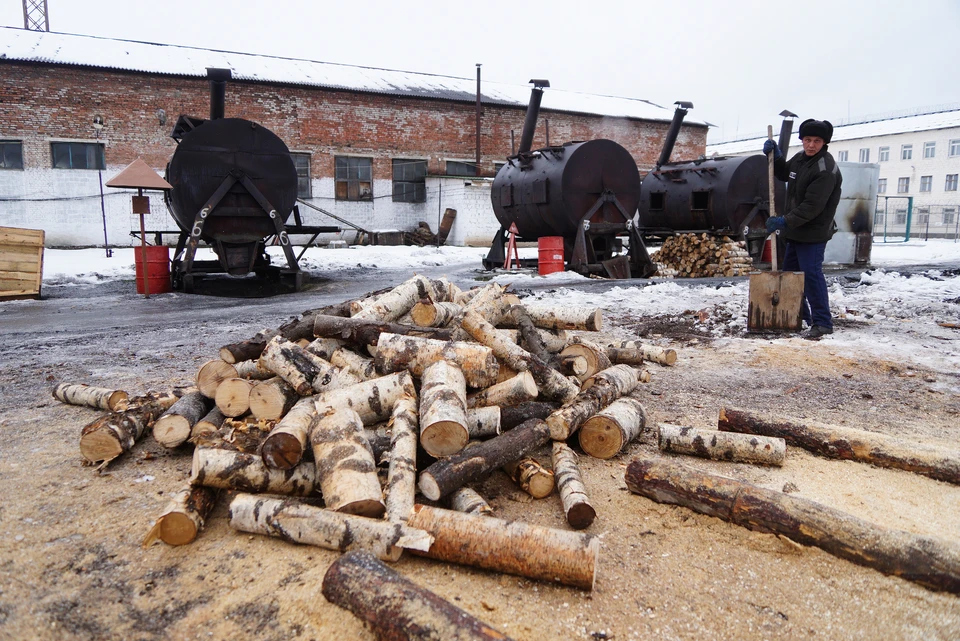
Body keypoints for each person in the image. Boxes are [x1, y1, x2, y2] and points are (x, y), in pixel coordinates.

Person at [763, 119, 843, 340]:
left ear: (824, 143)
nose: (811, 145)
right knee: (791, 277)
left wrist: (784, 221)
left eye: (817, 141)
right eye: (807, 140)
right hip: (795, 231)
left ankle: (822, 323)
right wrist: (776, 157)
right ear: (802, 140)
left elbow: (812, 207)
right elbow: (782, 173)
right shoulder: (800, 159)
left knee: (810, 276)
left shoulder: (825, 169)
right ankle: (799, 316)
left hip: (813, 233)